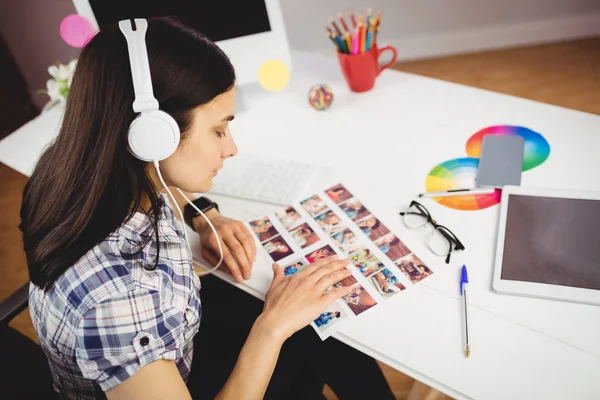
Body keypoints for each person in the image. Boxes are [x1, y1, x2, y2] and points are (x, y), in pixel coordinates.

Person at [20, 17, 394, 400]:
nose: (231, 148)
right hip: (175, 370)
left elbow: (164, 182)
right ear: (153, 137)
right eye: (218, 130)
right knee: (301, 343)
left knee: (325, 321)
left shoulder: (77, 173)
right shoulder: (119, 303)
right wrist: (272, 328)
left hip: (178, 333)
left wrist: (204, 216)